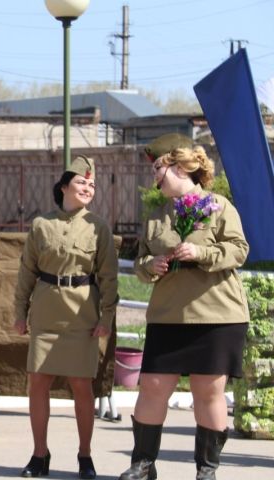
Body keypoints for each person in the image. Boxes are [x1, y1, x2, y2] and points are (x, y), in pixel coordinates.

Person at [119, 136, 249, 480]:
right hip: (168, 316)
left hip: (217, 315)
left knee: (208, 391)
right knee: (153, 386)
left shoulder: (219, 205)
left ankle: (207, 470)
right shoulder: (156, 216)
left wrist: (201, 253)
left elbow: (239, 250)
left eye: (157, 169)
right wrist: (152, 265)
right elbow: (140, 260)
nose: (153, 178)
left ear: (178, 167)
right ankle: (143, 465)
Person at [13, 156, 118, 479]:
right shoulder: (41, 224)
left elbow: (110, 278)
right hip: (46, 311)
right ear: (63, 187)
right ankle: (39, 455)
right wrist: (20, 312)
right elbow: (27, 272)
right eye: (81, 182)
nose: (88, 187)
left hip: (82, 314)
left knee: (81, 386)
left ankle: (85, 457)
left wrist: (107, 318)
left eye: (92, 184)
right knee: (38, 384)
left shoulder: (98, 227)